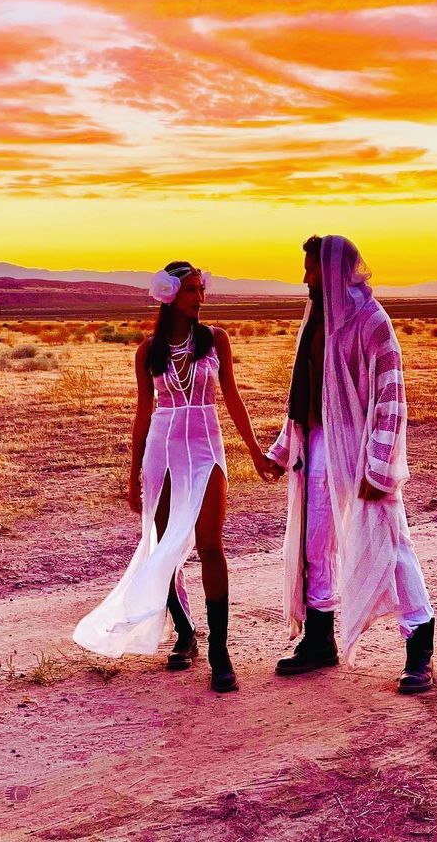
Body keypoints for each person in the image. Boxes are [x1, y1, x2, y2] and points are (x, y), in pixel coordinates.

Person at [73, 261, 275, 693]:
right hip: (161, 452)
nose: (199, 298)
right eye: (190, 291)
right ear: (169, 296)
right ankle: (185, 633)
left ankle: (220, 652)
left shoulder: (215, 339)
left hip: (206, 448)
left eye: (201, 289)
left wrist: (256, 451)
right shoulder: (148, 351)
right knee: (164, 547)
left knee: (210, 545)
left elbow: (232, 397)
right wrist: (132, 475)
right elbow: (143, 413)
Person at [265, 235, 436, 693]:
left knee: (389, 544)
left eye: (311, 269)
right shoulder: (316, 320)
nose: (305, 277)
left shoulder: (371, 320)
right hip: (316, 447)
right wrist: (281, 451)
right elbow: (303, 397)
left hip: (361, 450)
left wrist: (379, 466)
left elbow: (391, 397)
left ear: (333, 271)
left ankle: (419, 644)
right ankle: (319, 639)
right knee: (314, 543)